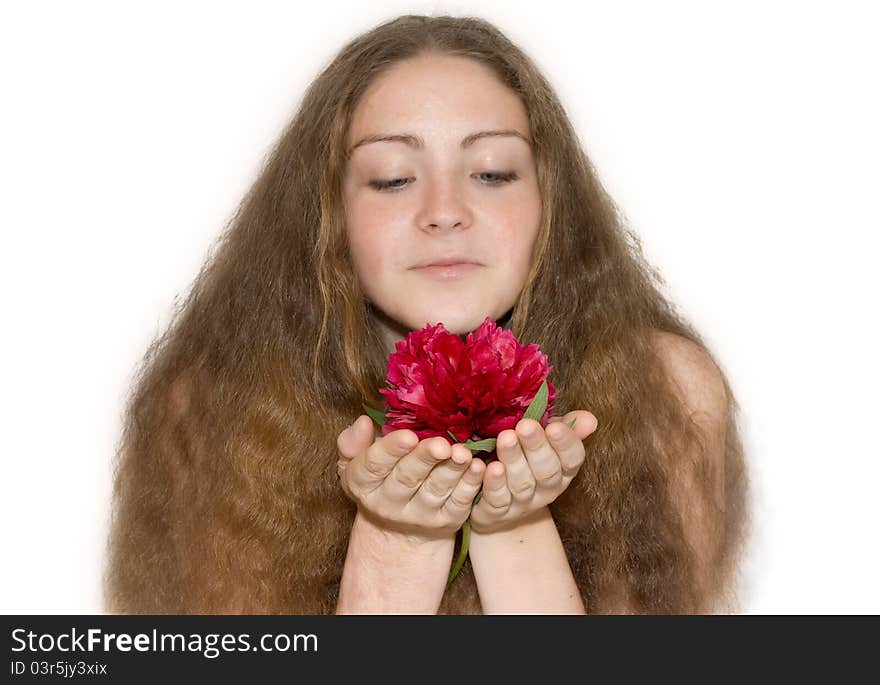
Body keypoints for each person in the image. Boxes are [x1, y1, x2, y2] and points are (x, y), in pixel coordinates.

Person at [103, 14, 751, 615]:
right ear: (326, 214)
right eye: (392, 178)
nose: (444, 210)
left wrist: (512, 526)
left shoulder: (667, 388)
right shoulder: (216, 408)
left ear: (552, 201)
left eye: (493, 173)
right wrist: (398, 541)